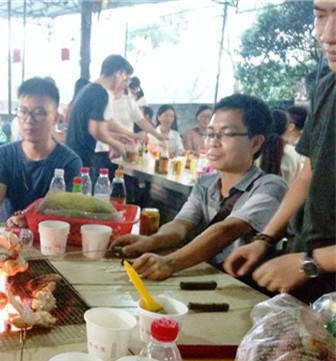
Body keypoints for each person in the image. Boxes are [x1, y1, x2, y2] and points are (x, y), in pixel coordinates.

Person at [224, 0, 335, 303]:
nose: (328, 34)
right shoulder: (327, 87)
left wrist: (310, 262)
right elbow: (306, 176)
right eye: (321, 15)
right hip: (309, 266)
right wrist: (264, 240)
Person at [111, 94, 287, 281]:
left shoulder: (270, 187)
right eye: (210, 133)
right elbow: (180, 225)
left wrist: (169, 262)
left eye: (226, 134)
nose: (213, 142)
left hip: (244, 290)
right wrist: (149, 242)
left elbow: (225, 231)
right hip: (205, 280)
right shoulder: (206, 183)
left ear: (256, 142)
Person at [0, 77, 81, 225]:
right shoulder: (3, 155)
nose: (29, 120)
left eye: (39, 113)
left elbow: (63, 214)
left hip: (48, 239)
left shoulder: (69, 162)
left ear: (55, 118)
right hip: (7, 237)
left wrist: (29, 220)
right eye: (23, 111)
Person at [65, 55, 136, 173]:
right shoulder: (100, 93)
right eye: (125, 78)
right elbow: (96, 131)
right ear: (118, 73)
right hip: (84, 158)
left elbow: (91, 127)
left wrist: (116, 137)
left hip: (74, 155)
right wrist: (118, 145)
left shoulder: (88, 89)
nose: (123, 84)